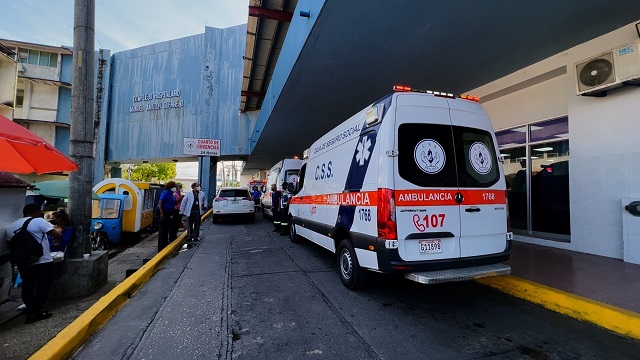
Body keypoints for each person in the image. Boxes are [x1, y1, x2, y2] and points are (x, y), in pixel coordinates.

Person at [6, 204, 62, 324]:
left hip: (24, 262)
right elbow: (57, 235)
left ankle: (30, 312)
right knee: (43, 285)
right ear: (36, 211)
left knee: (27, 286)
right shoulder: (38, 221)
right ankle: (37, 312)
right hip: (42, 260)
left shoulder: (11, 227)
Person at [157, 181, 176, 252]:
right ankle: (161, 246)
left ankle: (165, 243)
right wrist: (162, 213)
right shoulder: (166, 192)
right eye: (174, 186)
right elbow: (160, 202)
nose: (175, 188)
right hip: (163, 212)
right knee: (163, 230)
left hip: (169, 213)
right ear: (170, 187)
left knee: (167, 228)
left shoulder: (171, 193)